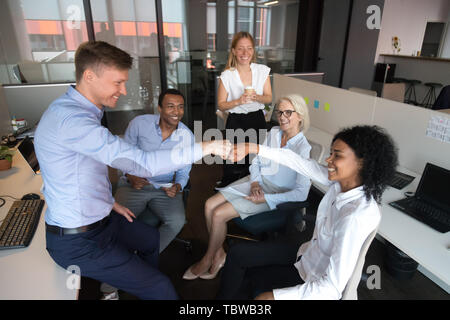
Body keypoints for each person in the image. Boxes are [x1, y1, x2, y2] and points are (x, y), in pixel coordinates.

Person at [34, 41, 231, 300]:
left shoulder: (78, 111)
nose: (124, 90)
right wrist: (208, 146)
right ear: (89, 76)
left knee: (150, 239)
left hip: (101, 217)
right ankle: (143, 284)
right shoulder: (73, 121)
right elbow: (142, 163)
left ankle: (138, 283)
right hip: (79, 241)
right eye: (117, 82)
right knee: (162, 289)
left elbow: (80, 173)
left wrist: (107, 202)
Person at [217, 125, 398, 300]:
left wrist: (274, 297)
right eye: (331, 153)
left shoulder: (355, 216)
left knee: (253, 284)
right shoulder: (340, 183)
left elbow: (331, 289)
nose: (329, 160)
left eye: (337, 155)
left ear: (362, 163)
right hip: (306, 256)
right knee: (237, 254)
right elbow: (297, 161)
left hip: (314, 281)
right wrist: (253, 147)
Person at [183, 94, 312, 280]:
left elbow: (301, 194)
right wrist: (254, 182)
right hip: (256, 181)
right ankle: (219, 255)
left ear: (300, 116)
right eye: (280, 112)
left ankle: (206, 259)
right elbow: (257, 161)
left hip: (273, 192)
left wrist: (266, 197)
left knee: (219, 214)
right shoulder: (275, 132)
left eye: (288, 112)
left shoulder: (303, 149)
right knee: (209, 205)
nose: (282, 116)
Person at [114, 88, 192, 253]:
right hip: (133, 184)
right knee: (116, 220)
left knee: (177, 222)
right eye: (170, 106)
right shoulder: (139, 124)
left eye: (180, 107)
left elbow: (184, 173)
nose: (176, 112)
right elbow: (122, 156)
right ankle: (120, 260)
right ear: (160, 108)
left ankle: (146, 255)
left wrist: (177, 187)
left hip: (164, 188)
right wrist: (130, 175)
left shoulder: (187, 136)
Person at [217, 31, 272, 187]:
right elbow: (221, 104)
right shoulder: (227, 75)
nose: (245, 53)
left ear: (253, 50)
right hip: (236, 121)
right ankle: (229, 189)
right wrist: (238, 101)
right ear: (234, 51)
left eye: (249, 48)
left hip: (257, 119)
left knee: (256, 158)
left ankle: (255, 189)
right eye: (240, 48)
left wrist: (256, 97)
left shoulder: (262, 71)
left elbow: (268, 98)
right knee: (233, 159)